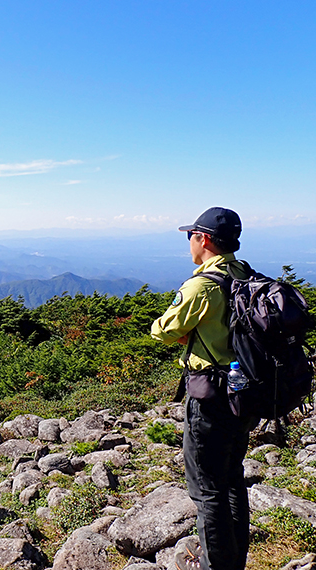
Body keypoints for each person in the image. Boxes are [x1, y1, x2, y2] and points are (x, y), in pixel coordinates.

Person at [151, 207, 258, 570]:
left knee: (207, 489)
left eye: (190, 236)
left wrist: (189, 331)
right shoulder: (244, 274)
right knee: (231, 479)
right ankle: (233, 561)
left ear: (204, 239)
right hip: (245, 392)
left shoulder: (202, 286)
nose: (189, 243)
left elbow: (162, 329)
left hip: (210, 394)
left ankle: (216, 566)